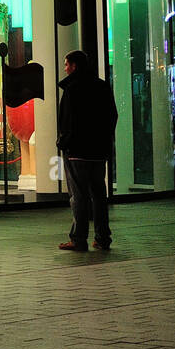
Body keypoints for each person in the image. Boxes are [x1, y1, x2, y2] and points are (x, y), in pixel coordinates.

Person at [56, 50, 118, 251]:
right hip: (98, 151)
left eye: (66, 64)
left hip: (77, 151)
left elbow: (67, 121)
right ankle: (102, 238)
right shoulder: (102, 86)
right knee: (99, 195)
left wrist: (64, 142)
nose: (65, 68)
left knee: (79, 196)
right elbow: (112, 116)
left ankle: (78, 238)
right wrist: (104, 140)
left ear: (74, 66)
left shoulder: (72, 89)